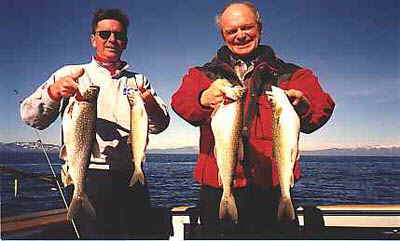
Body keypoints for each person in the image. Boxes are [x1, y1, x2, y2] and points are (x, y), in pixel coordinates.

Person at [171, 1, 335, 238]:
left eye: (246, 27)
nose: (240, 35)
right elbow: (181, 102)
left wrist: (305, 106)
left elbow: (322, 107)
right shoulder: (202, 74)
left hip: (272, 191)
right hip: (217, 189)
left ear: (260, 28)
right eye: (232, 31)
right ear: (223, 35)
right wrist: (202, 97)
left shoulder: (291, 74)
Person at [20, 9, 169, 239]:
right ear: (93, 39)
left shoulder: (139, 80)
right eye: (104, 33)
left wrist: (149, 104)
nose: (112, 39)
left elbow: (159, 126)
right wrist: (54, 92)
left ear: (125, 42)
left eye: (118, 35)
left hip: (131, 175)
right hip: (87, 175)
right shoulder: (70, 73)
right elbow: (32, 118)